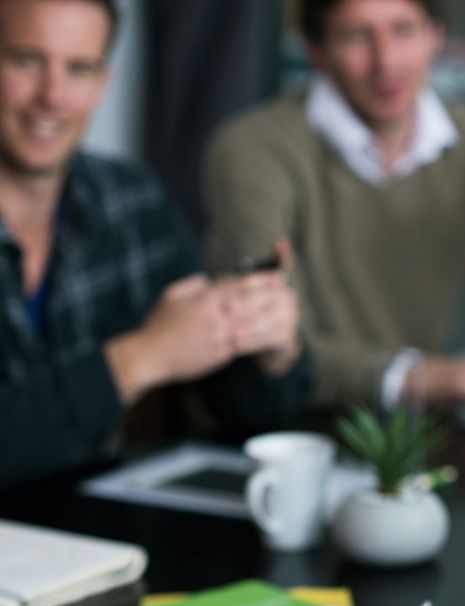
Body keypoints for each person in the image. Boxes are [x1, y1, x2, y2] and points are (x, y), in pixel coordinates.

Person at [205, 0, 465, 424]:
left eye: (403, 30)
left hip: (410, 436)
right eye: (355, 36)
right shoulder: (255, 148)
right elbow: (274, 345)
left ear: (435, 35)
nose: (386, 61)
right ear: (317, 51)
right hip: (285, 432)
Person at [0, 0, 310, 485]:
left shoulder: (134, 202)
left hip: (97, 537)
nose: (53, 96)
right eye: (26, 61)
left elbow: (236, 410)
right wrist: (141, 357)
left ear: (103, 82)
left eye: (79, 69)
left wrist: (266, 348)